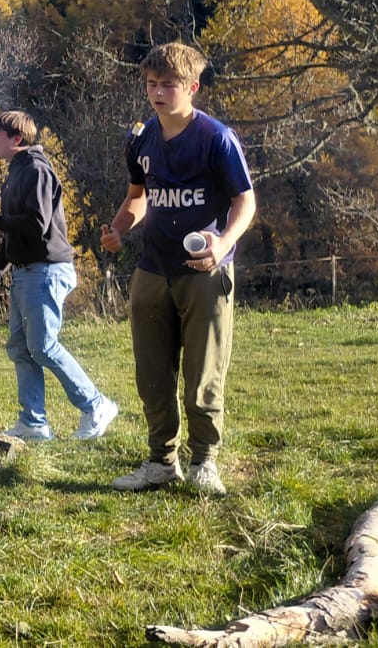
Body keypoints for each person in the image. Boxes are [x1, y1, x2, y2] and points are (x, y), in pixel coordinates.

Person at [100, 42, 256, 497]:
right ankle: (160, 462)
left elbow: (244, 201)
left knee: (203, 375)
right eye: (151, 84)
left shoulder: (215, 138)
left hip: (204, 272)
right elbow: (138, 195)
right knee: (151, 374)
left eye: (168, 84)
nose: (158, 93)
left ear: (192, 87)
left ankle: (204, 462)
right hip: (151, 269)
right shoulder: (141, 138)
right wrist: (118, 228)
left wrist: (223, 243)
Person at [0, 111, 119, 442]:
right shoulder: (16, 173)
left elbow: (37, 224)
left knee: (43, 346)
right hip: (26, 272)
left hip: (47, 271)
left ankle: (97, 405)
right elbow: (15, 239)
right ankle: (34, 423)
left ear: (17, 139)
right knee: (21, 348)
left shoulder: (37, 170)